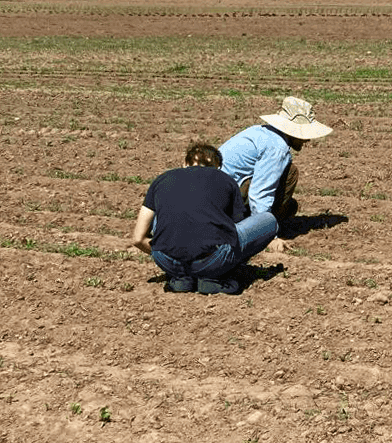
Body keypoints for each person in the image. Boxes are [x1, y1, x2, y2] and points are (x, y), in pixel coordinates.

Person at [129, 142, 278, 295]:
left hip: (167, 261)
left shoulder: (161, 179)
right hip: (212, 260)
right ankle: (214, 277)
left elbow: (137, 239)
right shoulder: (226, 180)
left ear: (185, 163)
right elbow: (236, 228)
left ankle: (182, 278)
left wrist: (169, 255)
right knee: (269, 220)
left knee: (162, 214)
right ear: (218, 167)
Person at [218, 95, 333, 225]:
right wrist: (263, 229)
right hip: (221, 200)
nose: (308, 140)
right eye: (305, 135)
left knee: (291, 205)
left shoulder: (262, 132)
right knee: (291, 173)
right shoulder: (277, 147)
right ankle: (255, 227)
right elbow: (260, 193)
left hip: (213, 195)